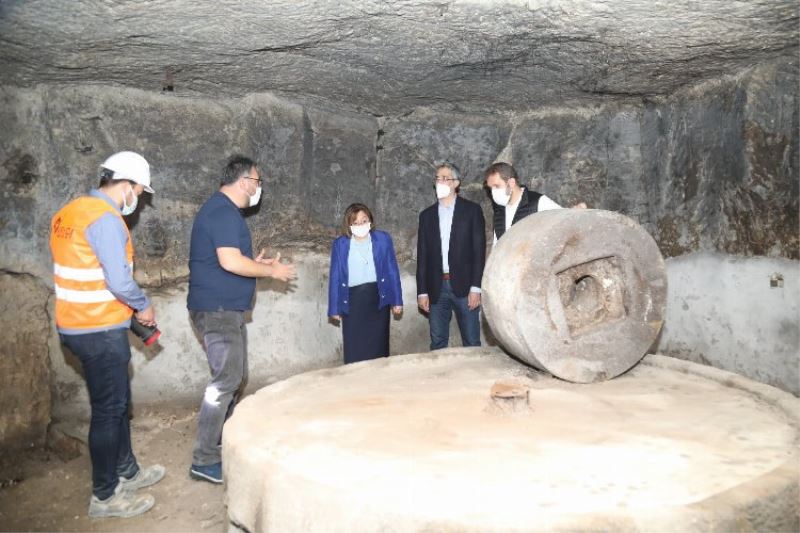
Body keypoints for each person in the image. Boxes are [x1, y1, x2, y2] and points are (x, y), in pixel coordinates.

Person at [50, 151, 165, 519]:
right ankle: (105, 496)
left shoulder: (70, 211)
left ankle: (126, 470)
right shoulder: (106, 219)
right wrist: (143, 305)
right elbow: (118, 280)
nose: (139, 198)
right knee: (109, 410)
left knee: (117, 403)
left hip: (78, 323)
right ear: (126, 184)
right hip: (98, 329)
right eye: (139, 191)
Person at [187, 155, 297, 484]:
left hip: (224, 309)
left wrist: (252, 261)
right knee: (224, 383)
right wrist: (270, 270)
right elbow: (229, 262)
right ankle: (204, 459)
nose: (258, 188)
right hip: (217, 309)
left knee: (234, 377)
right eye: (257, 181)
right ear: (245, 181)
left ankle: (222, 442)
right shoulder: (222, 211)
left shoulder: (222, 212)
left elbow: (232, 259)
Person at [416, 163, 486, 350]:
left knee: (471, 341)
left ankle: (473, 379)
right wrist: (422, 291)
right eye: (438, 178)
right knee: (437, 341)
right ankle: (440, 378)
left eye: (445, 178)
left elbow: (479, 252)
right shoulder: (426, 216)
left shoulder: (472, 211)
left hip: (465, 286)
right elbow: (422, 256)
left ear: (456, 183)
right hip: (436, 287)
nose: (440, 181)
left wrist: (476, 288)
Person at [328, 203, 403, 363]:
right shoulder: (340, 244)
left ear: (370, 220)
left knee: (379, 349)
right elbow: (335, 276)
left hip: (378, 300)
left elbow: (392, 270)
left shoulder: (383, 239)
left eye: (364, 220)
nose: (360, 225)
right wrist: (334, 308)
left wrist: (397, 300)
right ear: (349, 225)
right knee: (355, 349)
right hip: (352, 302)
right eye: (355, 222)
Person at [484, 162, 587, 244]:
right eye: (491, 188)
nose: (493, 192)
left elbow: (564, 220)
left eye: (497, 186)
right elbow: (497, 244)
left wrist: (576, 211)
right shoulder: (499, 209)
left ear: (511, 183)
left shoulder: (538, 202)